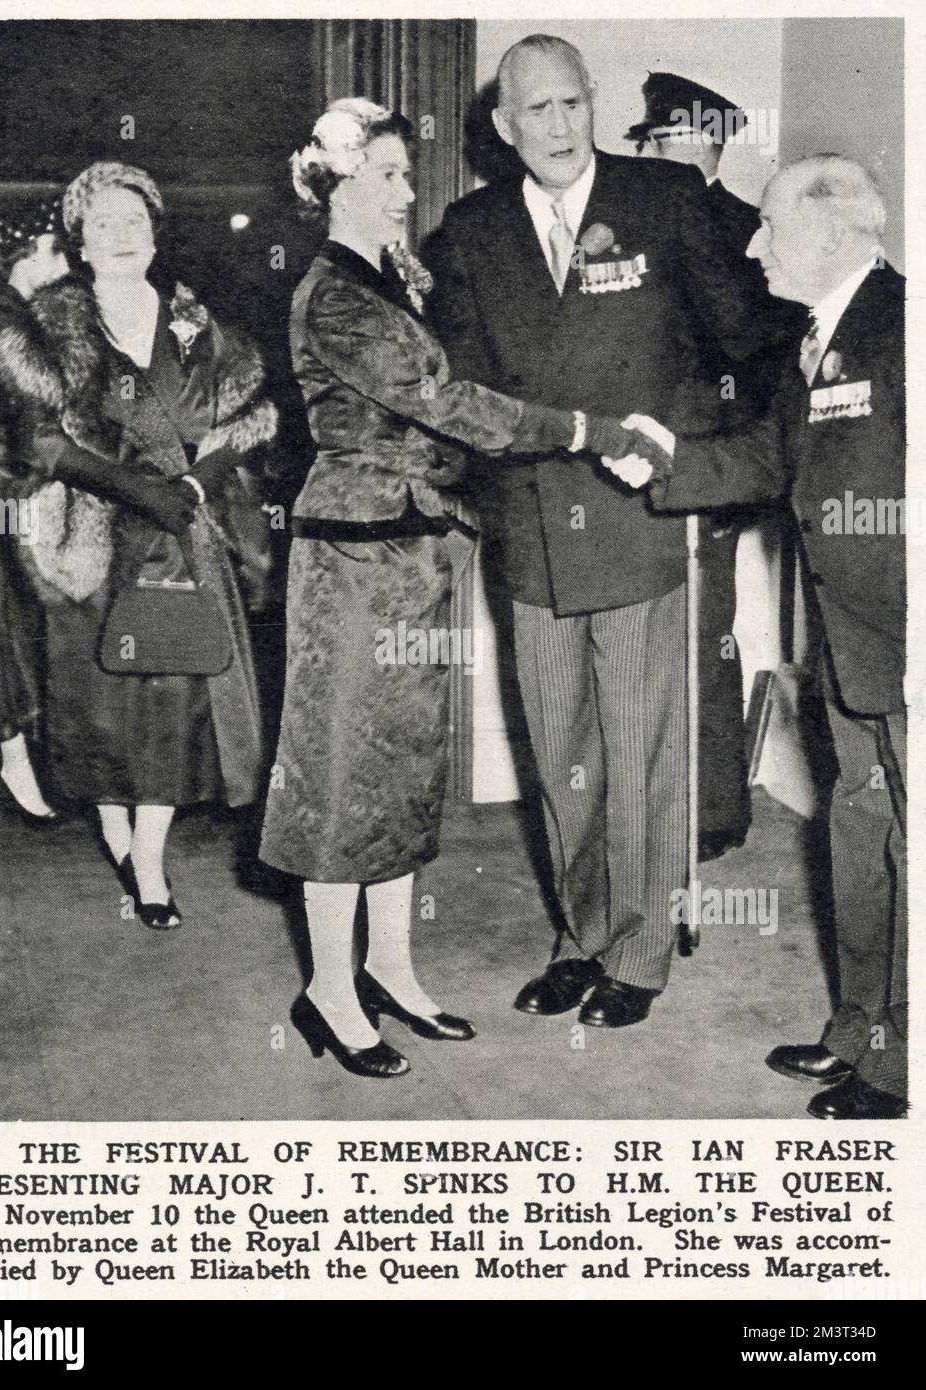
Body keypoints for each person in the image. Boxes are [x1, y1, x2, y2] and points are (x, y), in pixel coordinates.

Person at [258, 98, 645, 1079]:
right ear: (335, 184)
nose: (405, 190)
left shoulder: (402, 278)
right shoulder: (335, 297)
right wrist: (580, 429)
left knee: (405, 767)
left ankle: (389, 965)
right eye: (385, 175)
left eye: (402, 172)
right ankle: (329, 992)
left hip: (421, 552)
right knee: (342, 772)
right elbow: (448, 401)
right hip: (349, 561)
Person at [427, 35, 764, 1029]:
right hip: (533, 528)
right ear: (504, 127)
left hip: (639, 519)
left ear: (591, 104)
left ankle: (643, 949)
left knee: (643, 750)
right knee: (563, 751)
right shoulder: (470, 230)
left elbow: (743, 343)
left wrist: (683, 442)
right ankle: (580, 937)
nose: (562, 125)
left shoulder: (664, 199)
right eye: (539, 110)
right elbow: (459, 393)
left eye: (575, 103)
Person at [611, 156, 906, 1120]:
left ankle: (899, 1067)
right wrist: (664, 461)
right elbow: (773, 456)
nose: (751, 245)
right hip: (853, 645)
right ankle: (859, 1030)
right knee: (863, 839)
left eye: (770, 226)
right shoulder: (815, 340)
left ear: (832, 229)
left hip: (906, 645)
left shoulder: (902, 329)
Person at [0, 161, 278, 927]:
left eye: (135, 221)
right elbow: (46, 448)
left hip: (185, 537)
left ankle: (148, 867)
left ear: (156, 233)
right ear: (81, 243)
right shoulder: (49, 326)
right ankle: (117, 835)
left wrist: (190, 487)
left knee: (171, 713)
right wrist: (142, 492)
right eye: (103, 225)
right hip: (92, 541)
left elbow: (246, 418)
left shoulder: (194, 322)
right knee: (103, 712)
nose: (122, 236)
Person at [626, 71, 803, 861]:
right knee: (643, 638)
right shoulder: (634, 222)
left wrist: (733, 456)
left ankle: (706, 814)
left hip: (712, 462)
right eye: (653, 139)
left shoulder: (745, 227)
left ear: (706, 139)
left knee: (705, 640)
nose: (655, 151)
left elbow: (767, 346)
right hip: (639, 458)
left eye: (666, 137)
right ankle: (649, 808)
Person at [0, 197, 70, 822]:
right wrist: (43, 472)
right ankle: (13, 765)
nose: (68, 262)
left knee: (14, 631)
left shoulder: (15, 318)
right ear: (32, 255)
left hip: (7, 497)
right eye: (59, 249)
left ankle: (25, 763)